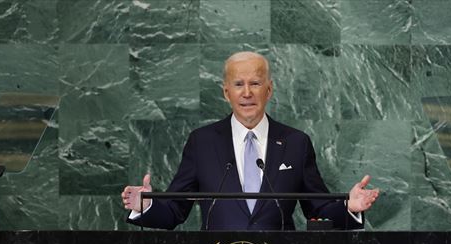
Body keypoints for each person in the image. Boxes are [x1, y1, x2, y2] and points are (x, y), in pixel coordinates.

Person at [121, 51, 379, 230]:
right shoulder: (202, 142)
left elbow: (319, 208)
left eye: (255, 83)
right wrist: (145, 206)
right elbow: (175, 210)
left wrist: (349, 207)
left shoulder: (296, 142)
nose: (247, 93)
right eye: (238, 84)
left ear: (269, 90)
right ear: (226, 92)